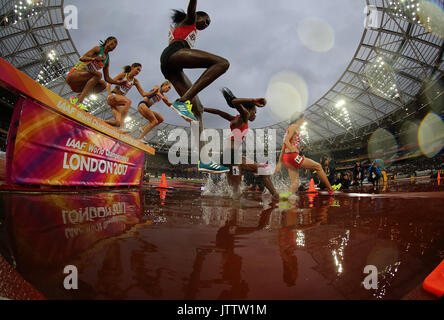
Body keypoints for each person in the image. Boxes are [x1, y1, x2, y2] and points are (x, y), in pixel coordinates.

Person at [160, 0, 230, 122]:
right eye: (206, 20)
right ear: (197, 16)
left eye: (208, 24)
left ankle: (199, 141)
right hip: (174, 52)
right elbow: (191, 9)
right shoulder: (190, 20)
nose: (206, 24)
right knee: (222, 63)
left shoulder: (186, 27)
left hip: (171, 67)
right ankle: (183, 101)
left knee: (198, 109)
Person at [204, 88, 279, 200]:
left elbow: (219, 112)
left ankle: (277, 196)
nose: (255, 115)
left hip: (231, 155)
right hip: (232, 156)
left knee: (238, 186)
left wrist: (203, 109)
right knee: (236, 189)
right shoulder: (244, 116)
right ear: (249, 110)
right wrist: (253, 100)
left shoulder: (235, 118)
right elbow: (234, 102)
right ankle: (276, 197)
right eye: (255, 112)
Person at [275, 114, 340, 196]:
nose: (304, 120)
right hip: (293, 156)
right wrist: (292, 148)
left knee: (295, 184)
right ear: (299, 118)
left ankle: (284, 197)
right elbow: (286, 142)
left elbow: (284, 147)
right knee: (318, 166)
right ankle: (331, 189)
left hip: (287, 158)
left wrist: (280, 162)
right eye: (303, 118)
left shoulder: (290, 128)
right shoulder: (294, 126)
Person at [67, 36, 126, 112]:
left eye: (116, 45)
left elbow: (107, 78)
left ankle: (77, 98)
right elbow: (82, 58)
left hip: (80, 86)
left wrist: (119, 83)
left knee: (103, 84)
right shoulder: (98, 49)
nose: (114, 45)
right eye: (114, 42)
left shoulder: (107, 60)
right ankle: (79, 102)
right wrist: (93, 59)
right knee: (98, 75)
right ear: (108, 41)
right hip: (74, 76)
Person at [105, 63, 146, 133]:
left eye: (140, 71)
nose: (138, 72)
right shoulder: (123, 75)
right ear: (132, 67)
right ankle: (122, 127)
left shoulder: (135, 81)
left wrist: (154, 92)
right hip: (113, 97)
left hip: (118, 103)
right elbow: (109, 83)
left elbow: (143, 94)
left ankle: (97, 121)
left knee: (117, 122)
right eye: (137, 69)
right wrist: (109, 94)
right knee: (128, 101)